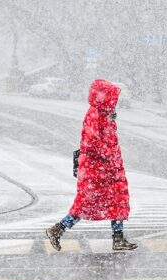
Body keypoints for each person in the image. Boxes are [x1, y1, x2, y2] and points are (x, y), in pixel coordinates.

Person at [46, 79, 137, 251]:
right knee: (87, 203)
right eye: (112, 98)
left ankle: (118, 238)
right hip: (97, 169)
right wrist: (110, 156)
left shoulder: (104, 114)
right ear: (103, 97)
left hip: (108, 168)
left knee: (118, 199)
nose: (114, 101)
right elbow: (92, 143)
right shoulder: (95, 115)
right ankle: (58, 229)